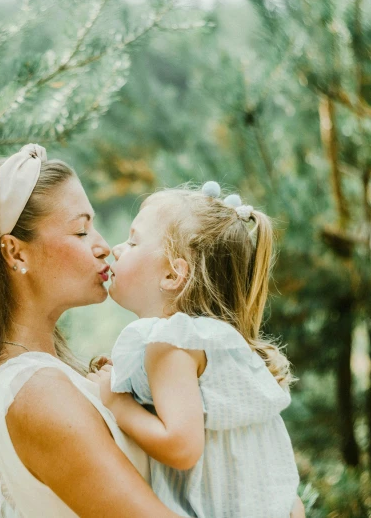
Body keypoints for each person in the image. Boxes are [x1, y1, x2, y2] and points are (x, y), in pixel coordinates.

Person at [0, 144, 180, 517]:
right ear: (16, 253)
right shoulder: (36, 391)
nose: (103, 247)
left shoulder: (42, 381)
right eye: (81, 231)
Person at [88, 181, 302, 517]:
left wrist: (118, 403)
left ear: (173, 274)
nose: (117, 249)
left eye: (133, 241)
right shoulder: (219, 342)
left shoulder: (172, 343)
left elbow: (182, 447)